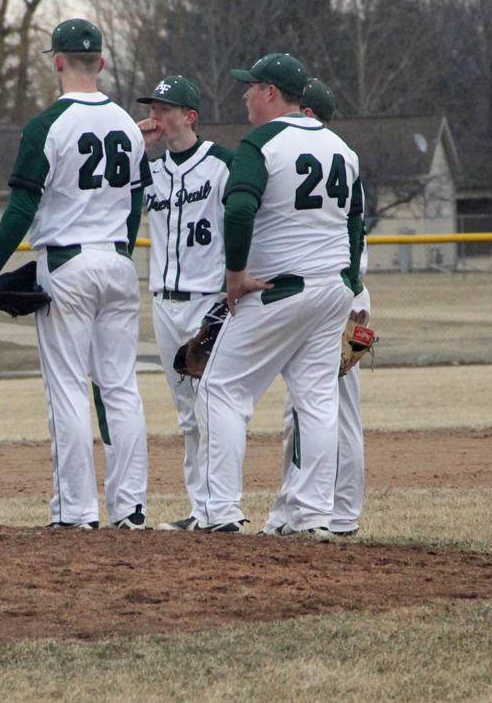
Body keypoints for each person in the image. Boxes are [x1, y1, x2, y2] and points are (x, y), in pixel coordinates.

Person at [0, 18, 151, 530]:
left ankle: (76, 512)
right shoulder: (126, 124)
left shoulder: (46, 126)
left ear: (56, 61)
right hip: (119, 262)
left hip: (69, 265)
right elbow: (136, 199)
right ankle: (131, 508)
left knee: (70, 389)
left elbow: (21, 206)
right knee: (121, 387)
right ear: (100, 62)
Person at [194, 53, 365, 535]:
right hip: (330, 289)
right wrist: (348, 282)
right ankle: (312, 515)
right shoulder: (343, 149)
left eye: (251, 86)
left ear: (271, 92)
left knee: (221, 390)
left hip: (277, 289)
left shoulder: (261, 142)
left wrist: (235, 275)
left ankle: (218, 511)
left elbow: (240, 209)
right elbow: (355, 224)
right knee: (316, 400)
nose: (244, 93)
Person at [134, 75, 235, 532]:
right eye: (153, 108)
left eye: (164, 109)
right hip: (163, 303)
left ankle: (220, 510)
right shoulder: (149, 171)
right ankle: (201, 510)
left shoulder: (222, 165)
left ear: (189, 116)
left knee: (211, 408)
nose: (156, 115)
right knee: (188, 417)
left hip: (208, 303)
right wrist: (136, 142)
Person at [273, 77, 371, 537]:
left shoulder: (304, 155)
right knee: (337, 411)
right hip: (348, 292)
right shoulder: (343, 157)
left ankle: (316, 513)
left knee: (309, 408)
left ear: (306, 114)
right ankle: (341, 514)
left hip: (333, 294)